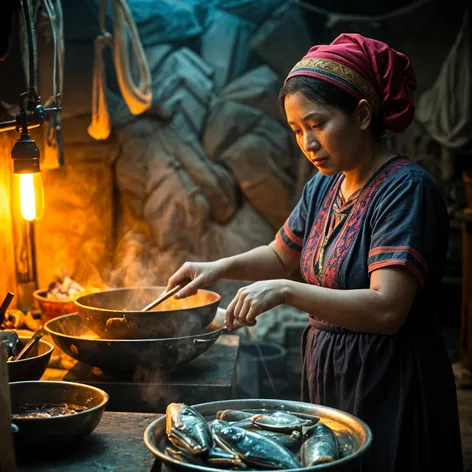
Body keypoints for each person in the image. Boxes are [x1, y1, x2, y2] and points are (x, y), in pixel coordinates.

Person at [166, 33, 463, 471]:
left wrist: (286, 292)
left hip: (390, 377)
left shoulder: (405, 190)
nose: (307, 142)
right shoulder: (325, 185)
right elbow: (281, 253)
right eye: (296, 129)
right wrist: (217, 268)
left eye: (317, 123)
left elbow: (387, 309)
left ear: (362, 114)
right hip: (331, 370)